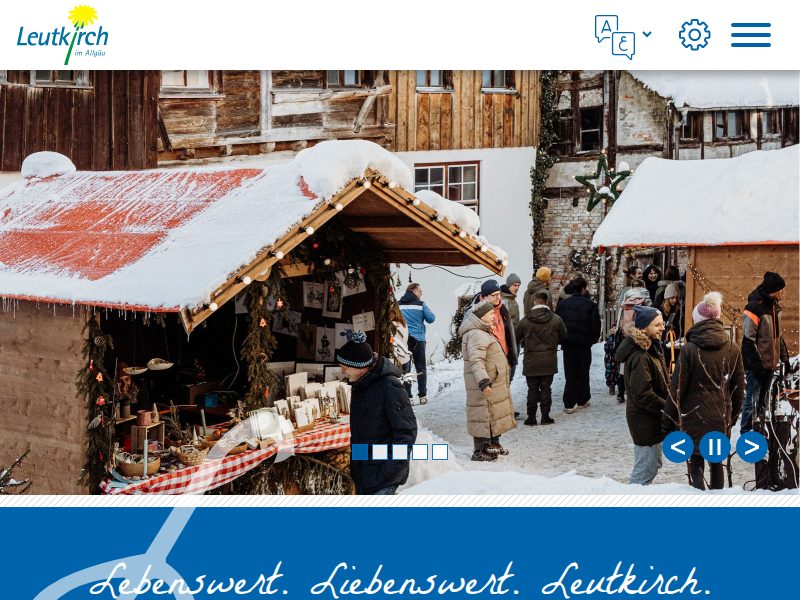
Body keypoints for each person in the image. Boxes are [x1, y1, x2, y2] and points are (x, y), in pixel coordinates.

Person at [664, 293, 745, 490]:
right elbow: (738, 386)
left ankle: (698, 503)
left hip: (693, 414)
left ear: (697, 321)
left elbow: (677, 387)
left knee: (696, 461)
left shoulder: (690, 350)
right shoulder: (732, 348)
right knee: (717, 463)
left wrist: (668, 418)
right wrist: (733, 415)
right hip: (720, 414)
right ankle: (718, 505)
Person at [339, 331, 417, 495]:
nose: (343, 371)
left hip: (383, 477)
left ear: (360, 366)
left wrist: (389, 470)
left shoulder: (389, 386)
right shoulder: (360, 385)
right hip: (365, 475)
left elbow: (406, 432)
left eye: (345, 366)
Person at [616, 305, 668, 486]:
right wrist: (667, 407)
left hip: (651, 419)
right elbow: (643, 394)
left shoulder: (651, 349)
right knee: (644, 471)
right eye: (657, 325)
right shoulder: (640, 356)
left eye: (662, 324)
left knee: (652, 465)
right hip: (644, 421)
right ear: (644, 328)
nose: (663, 328)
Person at [459, 300, 517, 461]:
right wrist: (483, 381)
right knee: (481, 414)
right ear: (482, 316)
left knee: (491, 414)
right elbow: (476, 360)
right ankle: (479, 452)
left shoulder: (481, 331)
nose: (493, 316)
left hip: (492, 380)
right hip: (484, 382)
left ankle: (491, 445)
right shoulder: (476, 334)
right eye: (491, 313)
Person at [740, 271, 790, 434]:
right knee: (752, 400)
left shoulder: (775, 307)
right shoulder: (754, 307)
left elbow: (778, 336)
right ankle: (746, 431)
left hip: (769, 364)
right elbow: (748, 340)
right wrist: (756, 365)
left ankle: (760, 429)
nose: (782, 292)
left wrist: (784, 358)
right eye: (780, 289)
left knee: (765, 400)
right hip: (756, 364)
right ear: (772, 290)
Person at [516, 291, 567, 425]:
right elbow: (564, 334)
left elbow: (516, 336)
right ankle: (545, 417)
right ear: (547, 303)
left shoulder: (525, 321)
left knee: (532, 389)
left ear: (534, 302)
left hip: (531, 359)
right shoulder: (556, 319)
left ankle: (531, 417)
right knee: (546, 389)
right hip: (548, 359)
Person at [555, 277, 601, 413]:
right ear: (583, 289)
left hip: (568, 342)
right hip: (584, 344)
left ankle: (569, 403)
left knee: (570, 372)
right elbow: (595, 326)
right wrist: (592, 340)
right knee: (583, 371)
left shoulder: (562, 304)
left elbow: (557, 323)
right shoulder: (590, 305)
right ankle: (582, 399)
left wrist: (561, 338)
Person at [398, 283, 436, 405]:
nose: (421, 294)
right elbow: (431, 318)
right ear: (414, 292)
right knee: (421, 367)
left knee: (406, 368)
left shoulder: (398, 305)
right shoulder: (421, 305)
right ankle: (422, 396)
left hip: (404, 340)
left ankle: (408, 397)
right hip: (418, 339)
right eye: (420, 292)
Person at [613, 287, 651, 403]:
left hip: (626, 337)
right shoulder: (646, 303)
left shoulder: (625, 304)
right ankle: (636, 391)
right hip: (641, 337)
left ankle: (620, 390)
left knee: (623, 367)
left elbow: (619, 321)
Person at [389, 304, 414, 401]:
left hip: (395, 358)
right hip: (405, 356)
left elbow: (391, 341)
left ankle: (398, 399)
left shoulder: (391, 326)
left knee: (396, 380)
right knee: (407, 378)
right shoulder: (404, 325)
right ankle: (409, 397)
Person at [500, 273, 522, 381]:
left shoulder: (512, 299)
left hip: (515, 340)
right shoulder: (503, 300)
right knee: (508, 374)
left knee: (511, 373)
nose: (517, 288)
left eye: (518, 285)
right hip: (508, 341)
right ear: (509, 285)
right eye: (515, 285)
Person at [660, 283, 684, 375]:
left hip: (676, 340)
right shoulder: (661, 309)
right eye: (672, 298)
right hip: (664, 341)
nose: (674, 300)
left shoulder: (679, 309)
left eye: (676, 298)